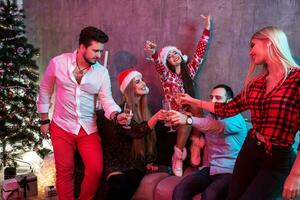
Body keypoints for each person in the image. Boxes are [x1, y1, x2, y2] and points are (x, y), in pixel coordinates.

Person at [179, 26, 300, 200]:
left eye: (253, 45)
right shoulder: (257, 84)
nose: (250, 51)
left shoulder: (296, 80)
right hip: (250, 149)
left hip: (278, 158)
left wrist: (296, 175)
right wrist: (192, 101)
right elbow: (226, 109)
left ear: (269, 42)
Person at [36, 26, 121, 200]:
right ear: (82, 47)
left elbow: (107, 101)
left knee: (95, 169)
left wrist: (116, 115)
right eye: (95, 51)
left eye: (101, 51)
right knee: (65, 171)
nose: (99, 56)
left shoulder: (101, 72)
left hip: (88, 129)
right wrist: (44, 121)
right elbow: (45, 90)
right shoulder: (58, 63)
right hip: (61, 126)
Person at [144, 15, 211, 176]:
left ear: (181, 56)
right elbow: (159, 67)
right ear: (168, 62)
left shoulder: (189, 71)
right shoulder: (167, 77)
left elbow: (199, 53)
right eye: (169, 56)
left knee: (195, 104)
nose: (174, 56)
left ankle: (195, 143)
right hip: (173, 115)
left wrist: (207, 28)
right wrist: (154, 54)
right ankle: (178, 155)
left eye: (175, 53)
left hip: (189, 114)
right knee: (188, 115)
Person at [168, 84, 247, 200]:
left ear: (229, 101)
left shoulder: (236, 119)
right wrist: (179, 119)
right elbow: (202, 123)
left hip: (230, 171)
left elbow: (216, 127)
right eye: (211, 97)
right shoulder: (210, 117)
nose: (212, 101)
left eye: (218, 98)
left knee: (210, 194)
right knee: (180, 189)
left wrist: (188, 119)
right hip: (210, 169)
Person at [101, 68, 165, 200]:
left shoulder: (146, 110)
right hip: (116, 161)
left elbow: (151, 141)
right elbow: (137, 132)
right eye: (138, 81)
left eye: (142, 80)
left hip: (134, 163)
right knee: (119, 183)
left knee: (133, 179)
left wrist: (149, 161)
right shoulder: (121, 111)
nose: (143, 83)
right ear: (129, 87)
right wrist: (157, 117)